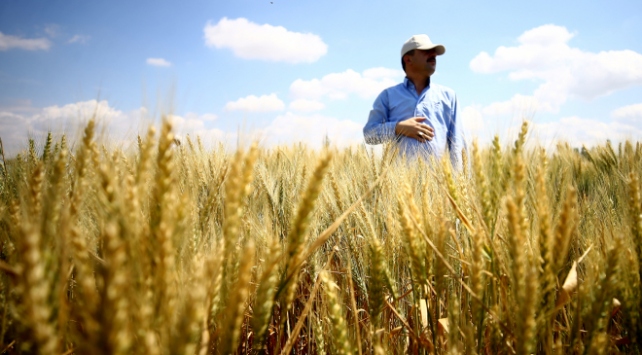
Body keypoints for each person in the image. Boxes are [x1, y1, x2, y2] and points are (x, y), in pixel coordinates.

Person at [363, 34, 466, 169]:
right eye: (426, 51)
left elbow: (458, 143)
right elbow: (370, 135)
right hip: (399, 186)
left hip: (439, 185)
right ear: (408, 59)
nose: (433, 54)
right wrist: (399, 128)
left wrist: (460, 185)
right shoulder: (387, 96)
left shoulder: (449, 96)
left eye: (434, 51)